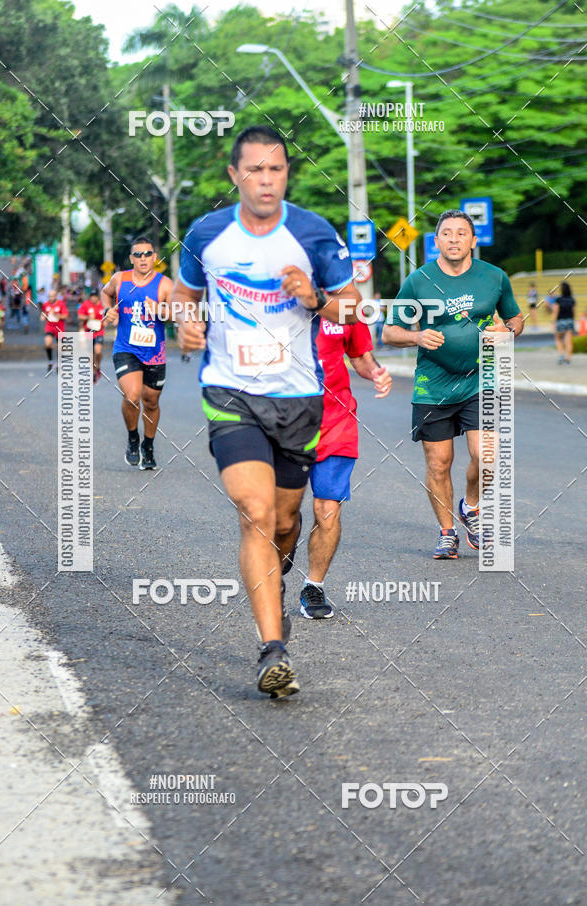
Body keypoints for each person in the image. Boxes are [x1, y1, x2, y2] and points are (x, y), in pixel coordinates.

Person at [173, 124, 360, 698]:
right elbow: (185, 294)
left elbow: (352, 308)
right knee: (254, 511)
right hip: (231, 392)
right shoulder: (206, 233)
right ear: (235, 175)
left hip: (300, 399)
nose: (265, 179)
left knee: (284, 523)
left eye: (275, 169)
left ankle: (273, 580)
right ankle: (272, 651)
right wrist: (186, 321)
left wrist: (315, 298)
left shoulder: (313, 233)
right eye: (253, 169)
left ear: (286, 174)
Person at [382, 209, 523, 559]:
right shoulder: (419, 280)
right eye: (447, 233)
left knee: (487, 456)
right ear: (436, 241)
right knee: (439, 463)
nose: (455, 239)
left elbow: (516, 319)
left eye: (462, 233)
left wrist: (506, 331)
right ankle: (447, 533)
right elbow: (388, 332)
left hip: (481, 379)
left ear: (473, 240)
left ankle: (471, 507)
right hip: (433, 387)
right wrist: (416, 337)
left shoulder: (494, 277)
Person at [299, 317, 392, 620]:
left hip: (336, 421)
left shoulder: (344, 306)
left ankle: (313, 585)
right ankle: (285, 535)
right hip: (283, 422)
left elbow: (360, 356)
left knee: (327, 509)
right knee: (280, 516)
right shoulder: (273, 294)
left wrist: (376, 372)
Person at [101, 237, 174, 470]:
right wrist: (107, 310)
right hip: (126, 348)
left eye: (147, 253)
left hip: (154, 352)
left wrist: (161, 309)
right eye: (138, 254)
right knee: (132, 396)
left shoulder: (165, 284)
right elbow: (105, 293)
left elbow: (176, 314)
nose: (143, 258)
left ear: (155, 257)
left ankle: (148, 446)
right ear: (132, 258)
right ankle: (133, 439)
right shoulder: (119, 279)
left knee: (151, 402)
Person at [78, 290, 106, 382]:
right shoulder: (86, 304)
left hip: (99, 331)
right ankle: (94, 371)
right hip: (88, 331)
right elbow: (80, 316)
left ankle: (98, 365)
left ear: (98, 297)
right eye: (92, 296)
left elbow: (107, 316)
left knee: (98, 351)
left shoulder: (102, 305)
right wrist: (87, 317)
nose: (93, 298)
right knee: (90, 353)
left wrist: (105, 321)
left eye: (95, 296)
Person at [40, 289, 68, 373]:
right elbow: (43, 314)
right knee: (47, 344)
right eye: (49, 296)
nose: (50, 298)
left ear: (56, 296)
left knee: (60, 348)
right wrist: (43, 316)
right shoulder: (46, 304)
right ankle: (50, 361)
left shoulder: (61, 304)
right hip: (49, 327)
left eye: (52, 296)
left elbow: (65, 316)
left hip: (59, 328)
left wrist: (57, 315)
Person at [552, 281, 575, 365]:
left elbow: (556, 312)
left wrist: (553, 322)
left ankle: (561, 355)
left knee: (558, 339)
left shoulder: (559, 299)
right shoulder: (572, 299)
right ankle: (568, 360)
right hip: (570, 320)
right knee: (568, 341)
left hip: (561, 321)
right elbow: (573, 312)